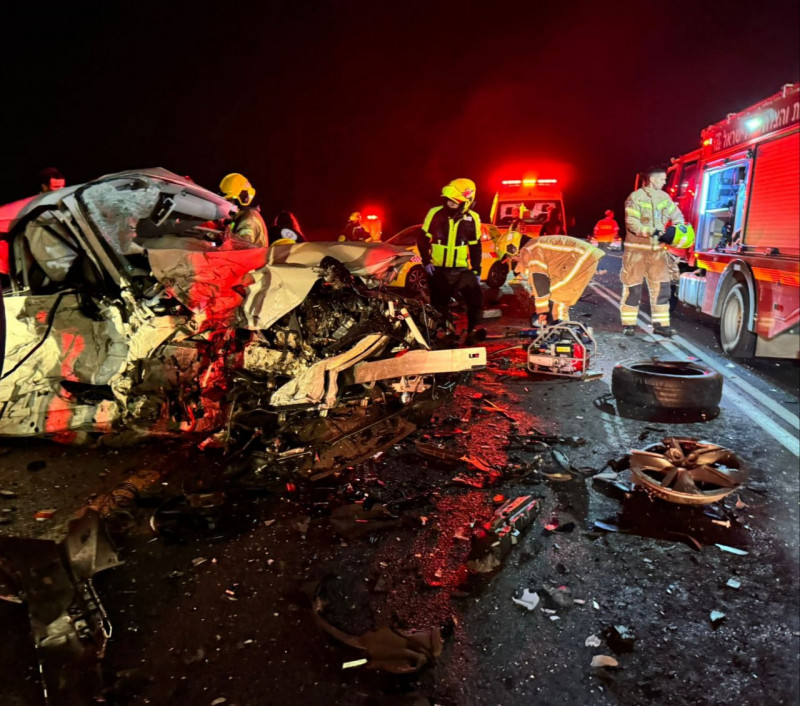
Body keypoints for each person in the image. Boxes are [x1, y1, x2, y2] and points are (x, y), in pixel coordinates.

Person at [621, 165, 688, 337]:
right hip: (636, 252)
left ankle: (661, 325)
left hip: (657, 252)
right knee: (634, 289)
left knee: (662, 289)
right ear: (652, 179)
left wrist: (678, 227)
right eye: (662, 179)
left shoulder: (664, 197)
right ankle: (629, 323)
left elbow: (677, 215)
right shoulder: (635, 197)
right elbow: (632, 223)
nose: (665, 182)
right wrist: (653, 232)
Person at [417, 178, 485, 346]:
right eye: (448, 200)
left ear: (466, 202)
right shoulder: (435, 213)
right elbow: (422, 239)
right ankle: (441, 334)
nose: (450, 204)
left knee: (475, 299)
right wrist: (426, 261)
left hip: (461, 269)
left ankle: (471, 332)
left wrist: (476, 270)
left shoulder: (473, 218)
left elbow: (475, 246)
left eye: (454, 202)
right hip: (438, 269)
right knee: (439, 305)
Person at [515, 235, 605, 325]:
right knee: (556, 295)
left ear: (515, 251)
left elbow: (539, 278)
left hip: (582, 256)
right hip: (582, 256)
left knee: (558, 294)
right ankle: (559, 327)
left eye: (512, 258)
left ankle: (559, 327)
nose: (513, 261)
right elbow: (540, 277)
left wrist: (542, 310)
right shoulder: (533, 246)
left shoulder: (529, 250)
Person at [219, 172, 267, 247]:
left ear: (241, 198)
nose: (226, 204)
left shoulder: (248, 221)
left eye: (230, 200)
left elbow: (241, 249)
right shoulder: (242, 216)